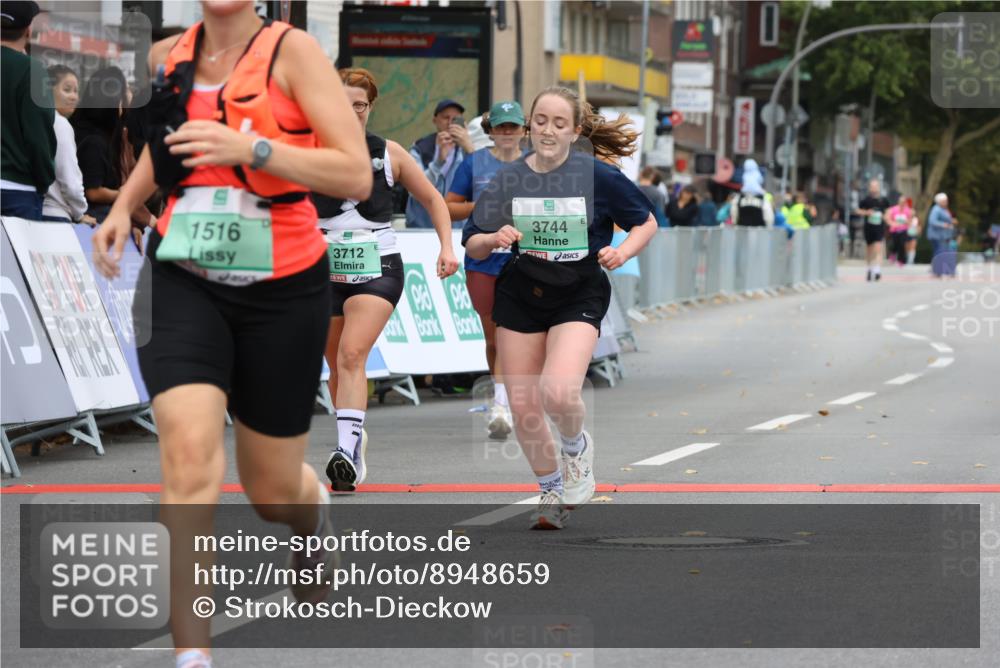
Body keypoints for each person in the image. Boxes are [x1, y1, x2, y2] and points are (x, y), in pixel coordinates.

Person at [91, 1, 372, 665]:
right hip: (184, 276)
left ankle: (312, 516)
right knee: (188, 458)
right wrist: (126, 207)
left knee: (272, 492)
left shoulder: (293, 52)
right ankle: (194, 657)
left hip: (285, 286)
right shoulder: (169, 59)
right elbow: (165, 153)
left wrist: (255, 148)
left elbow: (353, 172)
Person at [463, 86, 657, 529]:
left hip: (578, 293)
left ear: (575, 131)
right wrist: (493, 239)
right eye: (541, 121)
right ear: (529, 125)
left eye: (559, 123)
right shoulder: (510, 179)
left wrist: (622, 252)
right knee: (524, 405)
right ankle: (550, 489)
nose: (548, 130)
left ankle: (575, 450)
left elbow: (645, 223)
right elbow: (473, 239)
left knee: (558, 390)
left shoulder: (597, 176)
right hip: (521, 292)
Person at [317, 68, 459, 491]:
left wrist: (447, 247)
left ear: (370, 107)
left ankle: (343, 452)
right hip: (323, 268)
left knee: (351, 354)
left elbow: (433, 198)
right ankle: (354, 442)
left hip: (377, 266)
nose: (351, 112)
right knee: (336, 367)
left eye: (359, 105)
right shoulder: (309, 153)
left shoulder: (390, 153)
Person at [445, 100, 527, 440]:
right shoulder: (474, 164)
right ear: (490, 130)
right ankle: (501, 401)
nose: (506, 133)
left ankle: (507, 402)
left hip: (524, 258)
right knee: (494, 334)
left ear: (524, 130)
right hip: (482, 260)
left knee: (520, 333)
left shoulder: (536, 165)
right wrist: (482, 207)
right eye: (500, 127)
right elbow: (448, 207)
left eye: (513, 126)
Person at [0, 0, 56, 219]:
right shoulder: (33, 71)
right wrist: (44, 180)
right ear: (28, 30)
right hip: (18, 189)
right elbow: (38, 136)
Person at [406, 98, 473, 228]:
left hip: (458, 229)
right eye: (445, 117)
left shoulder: (468, 149)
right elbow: (414, 190)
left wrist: (469, 148)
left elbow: (483, 183)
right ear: (435, 120)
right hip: (423, 227)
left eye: (455, 119)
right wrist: (438, 162)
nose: (450, 123)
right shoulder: (420, 148)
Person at [41, 64, 89, 224]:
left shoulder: (38, 121)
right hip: (56, 213)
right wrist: (81, 213)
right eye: (67, 89)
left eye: (76, 91)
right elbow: (70, 179)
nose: (74, 97)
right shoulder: (60, 124)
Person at [855, 178, 890, 281]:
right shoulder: (866, 200)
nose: (874, 188)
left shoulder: (883, 200)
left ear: (879, 187)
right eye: (872, 186)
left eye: (876, 186)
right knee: (870, 250)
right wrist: (867, 213)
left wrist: (885, 217)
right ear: (870, 188)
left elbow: (888, 212)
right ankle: (869, 269)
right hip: (869, 227)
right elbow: (858, 210)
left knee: (878, 248)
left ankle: (877, 270)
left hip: (879, 227)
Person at [731, 159, 774, 227]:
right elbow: (768, 217)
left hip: (742, 233)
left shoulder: (739, 198)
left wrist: (735, 224)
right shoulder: (762, 198)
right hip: (759, 233)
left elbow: (734, 215)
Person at [927, 192, 957, 278]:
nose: (946, 202)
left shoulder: (943, 209)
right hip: (937, 235)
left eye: (946, 200)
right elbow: (932, 221)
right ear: (939, 201)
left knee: (942, 252)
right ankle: (939, 270)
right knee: (940, 252)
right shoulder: (936, 209)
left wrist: (951, 221)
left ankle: (941, 270)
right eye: (944, 200)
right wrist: (944, 224)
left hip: (943, 235)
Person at [886, 194, 915, 266]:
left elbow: (910, 221)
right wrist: (892, 223)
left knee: (902, 244)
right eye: (901, 202)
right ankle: (892, 255)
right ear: (898, 202)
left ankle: (901, 260)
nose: (902, 203)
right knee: (895, 244)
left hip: (903, 230)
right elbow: (888, 218)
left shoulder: (908, 210)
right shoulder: (893, 209)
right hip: (894, 230)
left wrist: (907, 222)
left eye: (903, 202)